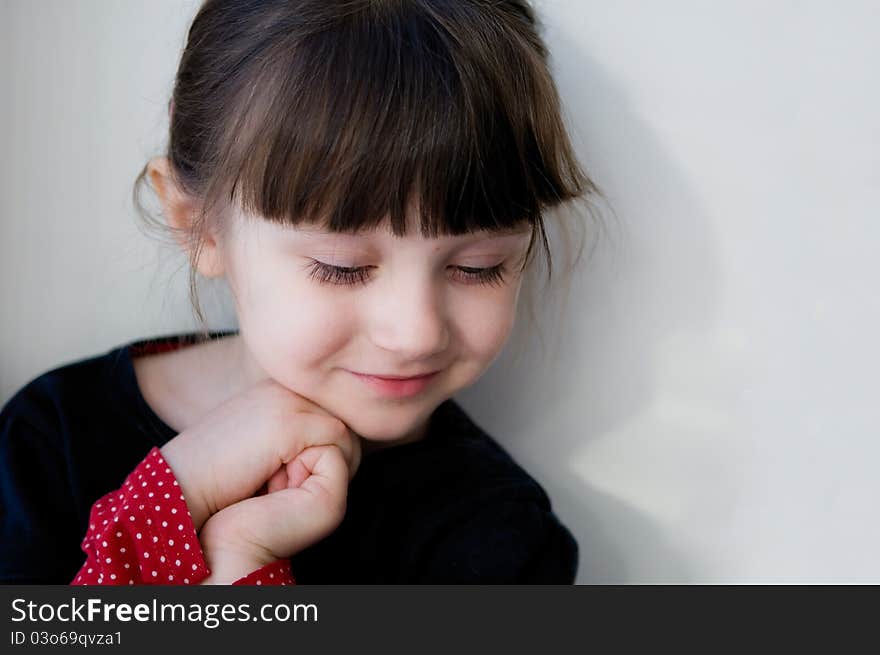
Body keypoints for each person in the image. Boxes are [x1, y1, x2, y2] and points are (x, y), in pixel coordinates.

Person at [0, 0, 600, 585]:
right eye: (342, 267)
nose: (415, 332)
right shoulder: (48, 440)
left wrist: (242, 566)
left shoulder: (503, 538)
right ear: (199, 225)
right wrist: (177, 492)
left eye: (477, 266)